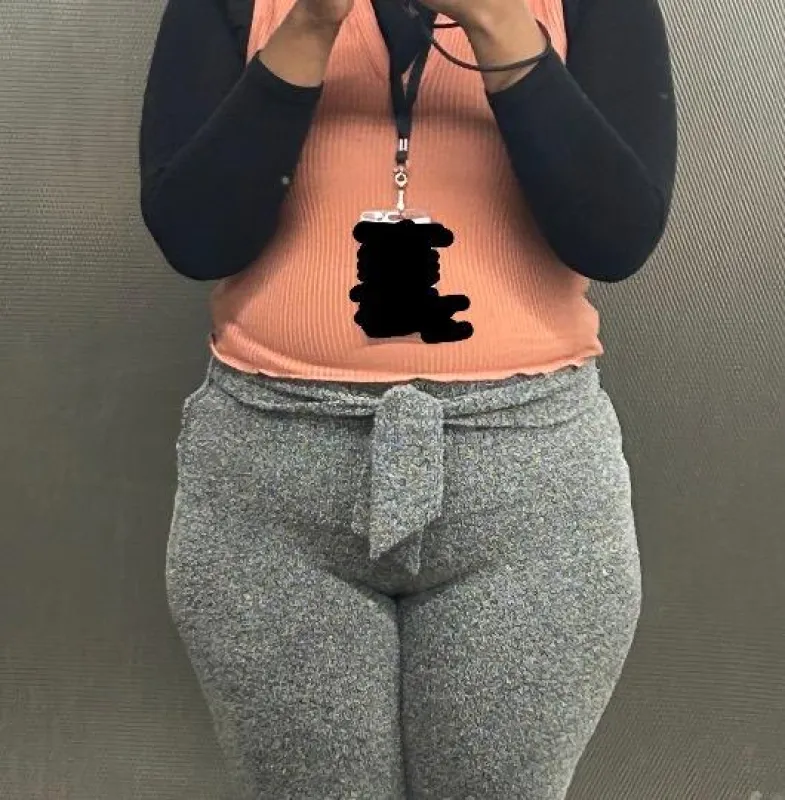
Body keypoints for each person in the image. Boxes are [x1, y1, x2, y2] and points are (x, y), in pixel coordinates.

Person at [139, 0, 677, 796]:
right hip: (270, 479)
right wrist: (312, 23)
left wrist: (494, 21)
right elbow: (196, 238)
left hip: (528, 488)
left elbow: (615, 237)